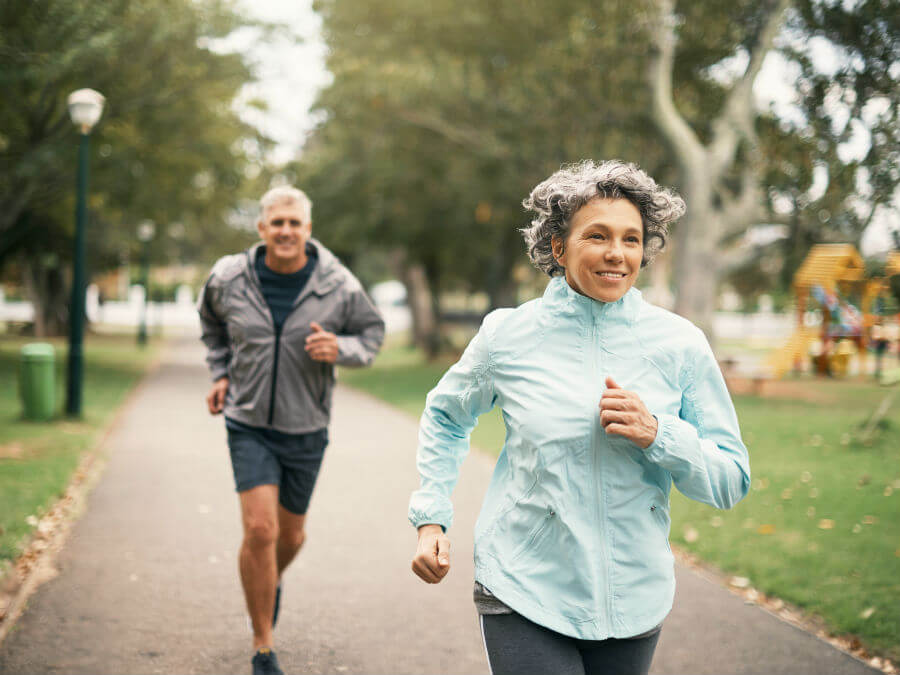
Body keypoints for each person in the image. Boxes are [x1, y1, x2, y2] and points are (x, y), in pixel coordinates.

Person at [409, 160, 750, 675]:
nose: (617, 253)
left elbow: (730, 480)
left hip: (635, 595)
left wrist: (660, 434)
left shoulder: (680, 344)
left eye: (631, 239)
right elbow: (445, 415)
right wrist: (431, 517)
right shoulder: (508, 336)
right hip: (523, 583)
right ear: (558, 247)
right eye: (598, 235)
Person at [199, 186, 384, 675]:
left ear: (307, 229)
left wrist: (339, 350)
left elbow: (371, 334)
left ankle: (265, 582)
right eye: (276, 222)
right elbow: (212, 325)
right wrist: (220, 372)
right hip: (248, 421)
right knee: (260, 529)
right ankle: (263, 644)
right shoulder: (228, 277)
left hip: (307, 426)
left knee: (291, 537)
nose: (285, 231)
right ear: (262, 228)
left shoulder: (338, 284)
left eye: (294, 223)